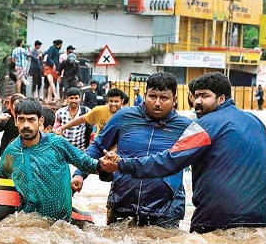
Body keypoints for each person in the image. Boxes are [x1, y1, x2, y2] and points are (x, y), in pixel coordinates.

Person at [100, 72, 266, 234]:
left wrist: (122, 165)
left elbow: (169, 161)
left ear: (221, 98)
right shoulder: (255, 121)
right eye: (196, 96)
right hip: (258, 218)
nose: (198, 102)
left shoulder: (204, 125)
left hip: (214, 219)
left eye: (205, 96)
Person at [72, 72, 193, 228]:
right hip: (123, 202)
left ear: (174, 100)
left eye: (164, 98)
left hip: (166, 209)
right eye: (152, 96)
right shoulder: (124, 116)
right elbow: (98, 146)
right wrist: (79, 174)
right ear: (145, 95)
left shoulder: (185, 127)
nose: (157, 103)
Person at [0, 98, 102, 221]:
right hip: (29, 225)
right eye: (21, 119)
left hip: (60, 224)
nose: (26, 125)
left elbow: (85, 162)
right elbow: (0, 177)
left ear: (40, 121)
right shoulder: (12, 151)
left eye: (31, 120)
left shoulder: (57, 144)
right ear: (15, 121)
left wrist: (104, 166)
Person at [55, 88, 126, 139]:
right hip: (98, 147)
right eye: (111, 101)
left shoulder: (126, 115)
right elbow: (81, 119)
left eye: (116, 101)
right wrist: (61, 128)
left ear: (122, 101)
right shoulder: (98, 110)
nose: (113, 104)